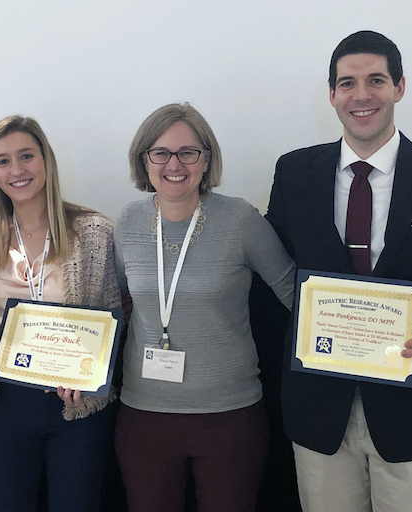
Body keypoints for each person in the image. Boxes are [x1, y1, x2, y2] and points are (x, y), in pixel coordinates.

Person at [266, 30, 412, 512]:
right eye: (348, 83)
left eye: (375, 80)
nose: (361, 95)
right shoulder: (295, 174)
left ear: (399, 87)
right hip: (320, 408)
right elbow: (278, 274)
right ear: (331, 93)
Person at [114, 102, 296, 512]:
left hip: (229, 417)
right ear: (144, 160)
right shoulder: (127, 223)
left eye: (187, 152)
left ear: (206, 158)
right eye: (160, 152)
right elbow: (118, 303)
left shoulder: (241, 220)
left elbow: (292, 293)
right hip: (145, 416)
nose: (173, 164)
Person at [0, 115, 121, 512]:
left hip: (74, 403)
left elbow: (114, 312)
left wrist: (91, 375)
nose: (17, 170)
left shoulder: (93, 231)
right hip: (4, 403)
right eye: (3, 161)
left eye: (26, 156)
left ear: (46, 160)